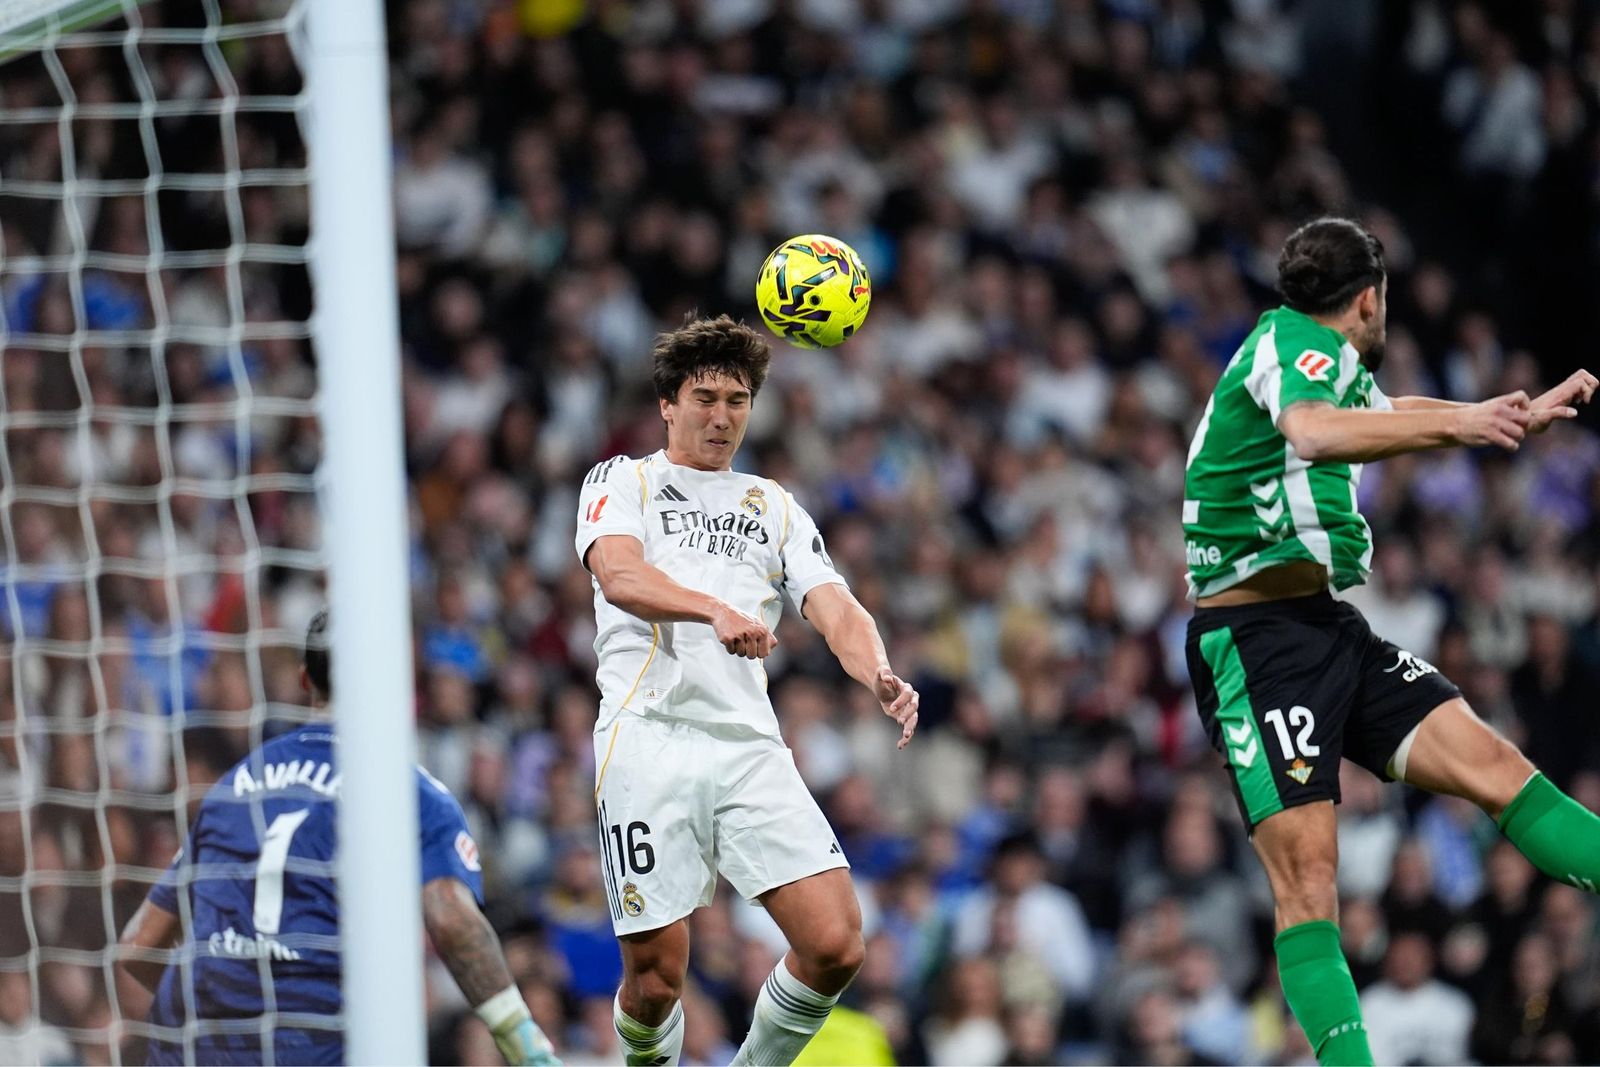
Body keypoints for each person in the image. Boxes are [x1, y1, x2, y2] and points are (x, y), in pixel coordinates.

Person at [1181, 215, 1600, 1066]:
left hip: (1324, 624)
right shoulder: (1292, 350)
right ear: (1370, 300)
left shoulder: (1314, 356)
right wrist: (1464, 428)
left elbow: (1380, 411)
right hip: (1254, 648)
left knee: (1498, 767)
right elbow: (1315, 431)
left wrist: (1495, 414)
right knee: (1309, 887)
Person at [576, 315, 920, 1066]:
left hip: (747, 745)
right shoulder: (623, 480)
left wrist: (878, 671)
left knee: (836, 942)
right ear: (668, 403)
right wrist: (715, 610)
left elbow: (834, 603)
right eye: (704, 398)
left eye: (737, 400)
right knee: (656, 982)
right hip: (648, 737)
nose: (721, 416)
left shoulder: (772, 504)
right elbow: (620, 575)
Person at [117, 610, 559, 1066]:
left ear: (304, 679)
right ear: (394, 682)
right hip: (308, 1046)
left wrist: (227, 1009)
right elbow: (450, 917)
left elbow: (136, 947)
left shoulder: (234, 786)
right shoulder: (407, 792)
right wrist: (524, 1043)